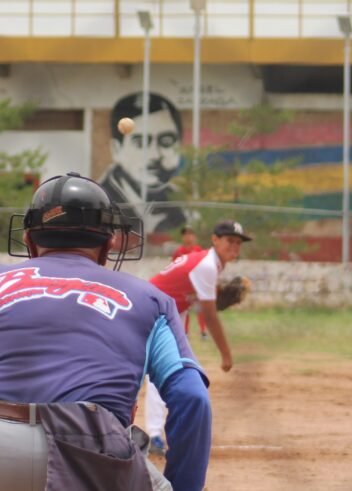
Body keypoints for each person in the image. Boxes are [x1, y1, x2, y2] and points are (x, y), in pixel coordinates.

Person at [0, 172, 212, 491]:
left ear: (29, 240)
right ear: (109, 243)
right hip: (95, 449)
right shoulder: (151, 299)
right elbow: (192, 398)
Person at [143, 219, 252, 457]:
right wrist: (226, 354)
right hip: (152, 311)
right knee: (164, 370)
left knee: (169, 369)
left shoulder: (210, 263)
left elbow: (189, 296)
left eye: (238, 242)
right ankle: (154, 434)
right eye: (230, 240)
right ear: (215, 240)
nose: (235, 246)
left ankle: (157, 433)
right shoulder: (207, 266)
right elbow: (209, 316)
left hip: (167, 311)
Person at [100, 91, 187, 234]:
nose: (155, 155)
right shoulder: (99, 202)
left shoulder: (181, 204)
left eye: (166, 141)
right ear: (116, 150)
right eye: (140, 143)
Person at [171, 226, 208, 341]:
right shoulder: (179, 252)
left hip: (196, 284)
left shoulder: (198, 250)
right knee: (184, 309)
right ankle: (185, 332)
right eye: (185, 234)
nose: (187, 237)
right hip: (183, 285)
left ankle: (203, 332)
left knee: (200, 308)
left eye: (190, 234)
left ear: (194, 237)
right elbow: (173, 268)